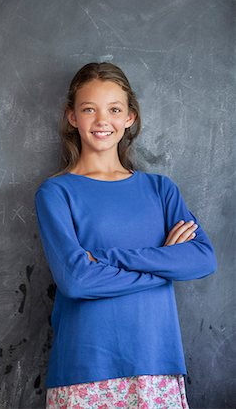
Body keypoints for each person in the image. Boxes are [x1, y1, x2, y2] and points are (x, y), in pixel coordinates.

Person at [34, 62, 217, 408]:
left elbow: (203, 258)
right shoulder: (56, 193)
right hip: (85, 368)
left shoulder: (161, 189)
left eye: (114, 109)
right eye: (89, 109)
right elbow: (77, 282)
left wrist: (106, 257)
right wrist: (164, 263)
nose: (103, 121)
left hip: (156, 363)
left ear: (130, 117)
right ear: (72, 117)